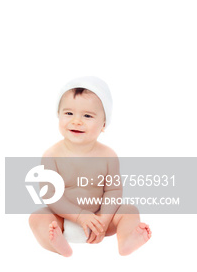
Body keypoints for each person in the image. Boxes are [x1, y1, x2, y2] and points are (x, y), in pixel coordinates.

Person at [28, 76, 151, 256]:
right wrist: (78, 216)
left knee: (130, 210)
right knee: (37, 217)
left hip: (100, 219)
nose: (77, 121)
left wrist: (104, 220)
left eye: (87, 115)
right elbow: (51, 195)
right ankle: (56, 243)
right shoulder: (51, 155)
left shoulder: (108, 155)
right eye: (69, 113)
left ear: (103, 124)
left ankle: (126, 240)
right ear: (58, 115)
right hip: (62, 218)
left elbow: (113, 191)